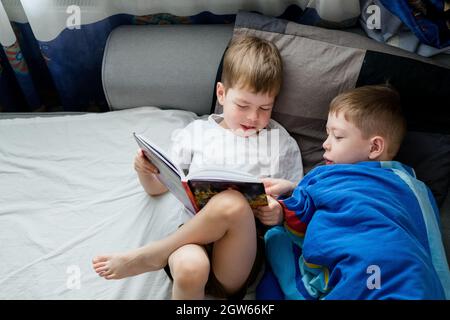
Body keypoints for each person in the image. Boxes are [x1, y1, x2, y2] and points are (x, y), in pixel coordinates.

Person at [92, 35, 304, 299]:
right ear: (222, 94)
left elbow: (300, 200)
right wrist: (144, 171)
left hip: (240, 251)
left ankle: (154, 254)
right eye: (243, 105)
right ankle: (165, 255)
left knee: (234, 202)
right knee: (190, 268)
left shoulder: (279, 141)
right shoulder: (197, 133)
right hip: (192, 238)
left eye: (265, 108)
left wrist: (280, 212)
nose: (253, 117)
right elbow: (158, 188)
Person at [257, 84, 450, 299]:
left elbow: (298, 212)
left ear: (374, 147)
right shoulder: (416, 187)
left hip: (368, 264)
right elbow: (431, 241)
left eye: (337, 137)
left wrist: (280, 209)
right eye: (327, 134)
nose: (325, 144)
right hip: (415, 279)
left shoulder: (325, 175)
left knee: (276, 239)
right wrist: (293, 186)